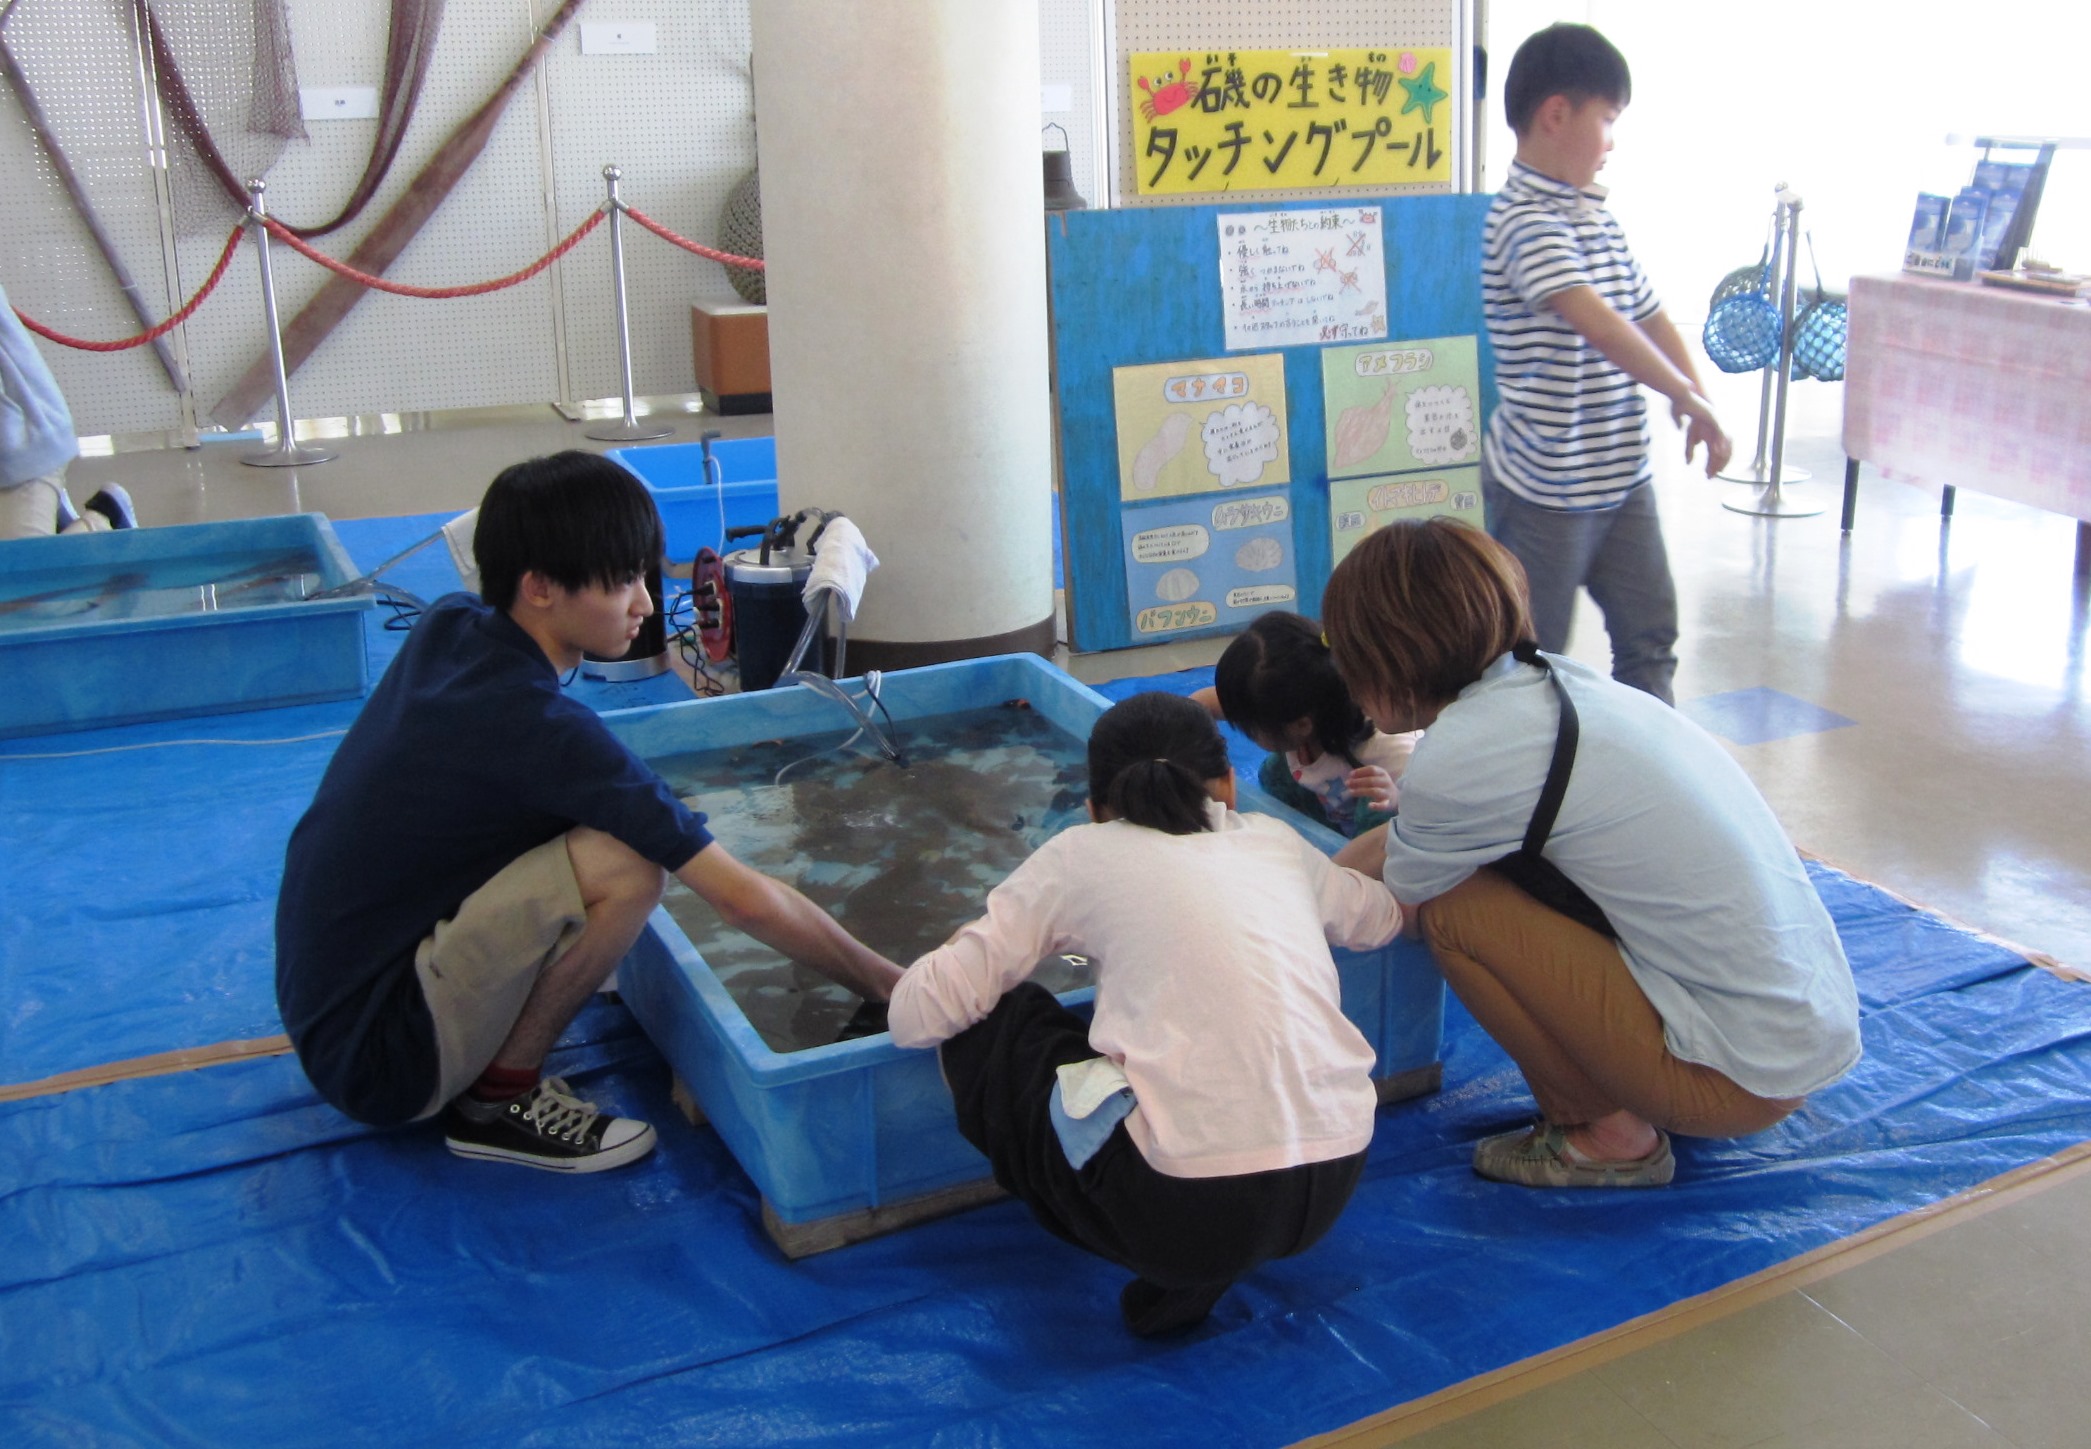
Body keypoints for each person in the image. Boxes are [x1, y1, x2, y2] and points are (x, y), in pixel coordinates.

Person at [276, 451, 902, 1173]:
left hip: (329, 1005)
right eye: (620, 582)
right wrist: (892, 984)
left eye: (644, 573)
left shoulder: (451, 628)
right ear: (538, 586)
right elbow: (743, 902)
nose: (642, 604)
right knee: (629, 864)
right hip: (384, 1060)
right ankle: (496, 1102)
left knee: (610, 828)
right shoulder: (539, 729)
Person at [1322, 518, 1859, 1188]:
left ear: (1391, 656)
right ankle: (1625, 1099)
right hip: (1790, 1032)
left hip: (1736, 1079)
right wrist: (1304, 876)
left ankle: (1607, 1135)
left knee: (1455, 908)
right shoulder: (1547, 686)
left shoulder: (1462, 753)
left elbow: (1392, 900)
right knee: (1484, 877)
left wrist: (1272, 907)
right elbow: (1402, 842)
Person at [887, 691, 1402, 1336]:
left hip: (1183, 1204)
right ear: (1229, 786)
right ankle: (1197, 1262)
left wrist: (977, 938)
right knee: (1188, 1076)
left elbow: (914, 1015)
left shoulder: (1077, 854)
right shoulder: (1276, 842)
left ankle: (1173, 1249)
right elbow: (1381, 918)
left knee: (995, 1018)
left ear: (1095, 808)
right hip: (1332, 1177)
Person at [1481, 23, 1732, 705]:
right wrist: (1682, 391)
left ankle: (1654, 777)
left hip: (1620, 476)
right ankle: (1530, 794)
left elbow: (1648, 313)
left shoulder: (1596, 216)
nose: (1612, 140)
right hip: (1544, 490)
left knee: (1649, 639)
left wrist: (1694, 398)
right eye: (1607, 119)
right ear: (1555, 114)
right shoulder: (1521, 220)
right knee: (1529, 663)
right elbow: (1597, 321)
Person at [1190, 609, 1419, 837]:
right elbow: (1200, 705)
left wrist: (1397, 801)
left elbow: (1432, 814)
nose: (1243, 727)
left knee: (1380, 801)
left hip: (1375, 840)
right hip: (1329, 810)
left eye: (1249, 727)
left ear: (1301, 725)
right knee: (1275, 771)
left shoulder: (1386, 748)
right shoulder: (1301, 700)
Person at [1, 282, 137, 538]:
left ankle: (104, 518)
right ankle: (59, 523)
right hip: (20, 440)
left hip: (22, 448)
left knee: (29, 576)